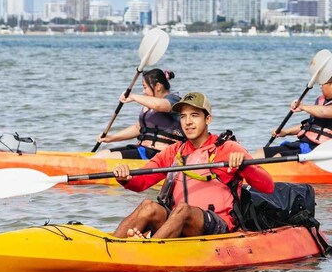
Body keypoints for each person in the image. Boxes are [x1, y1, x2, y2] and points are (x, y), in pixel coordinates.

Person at [112, 92, 274, 239]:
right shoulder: (174, 151)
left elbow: (268, 186)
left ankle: (148, 250)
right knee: (149, 206)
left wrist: (244, 166)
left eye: (194, 115)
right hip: (177, 221)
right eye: (183, 116)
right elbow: (140, 182)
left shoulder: (229, 148)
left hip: (218, 225)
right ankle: (112, 246)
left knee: (183, 210)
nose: (188, 122)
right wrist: (125, 177)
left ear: (208, 119)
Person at [252, 68, 332, 158]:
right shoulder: (323, 102)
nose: (320, 87)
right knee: (260, 153)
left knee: (277, 158)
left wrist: (303, 106)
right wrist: (285, 132)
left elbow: (327, 112)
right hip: (303, 145)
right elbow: (308, 126)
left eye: (322, 84)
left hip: (320, 151)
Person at [92, 69, 185, 159]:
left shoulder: (174, 100)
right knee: (102, 154)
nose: (143, 91)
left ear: (158, 86)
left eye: (145, 87)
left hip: (159, 154)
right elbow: (138, 128)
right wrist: (112, 138)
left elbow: (159, 105)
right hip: (143, 149)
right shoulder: (149, 104)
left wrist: (132, 96)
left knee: (107, 158)